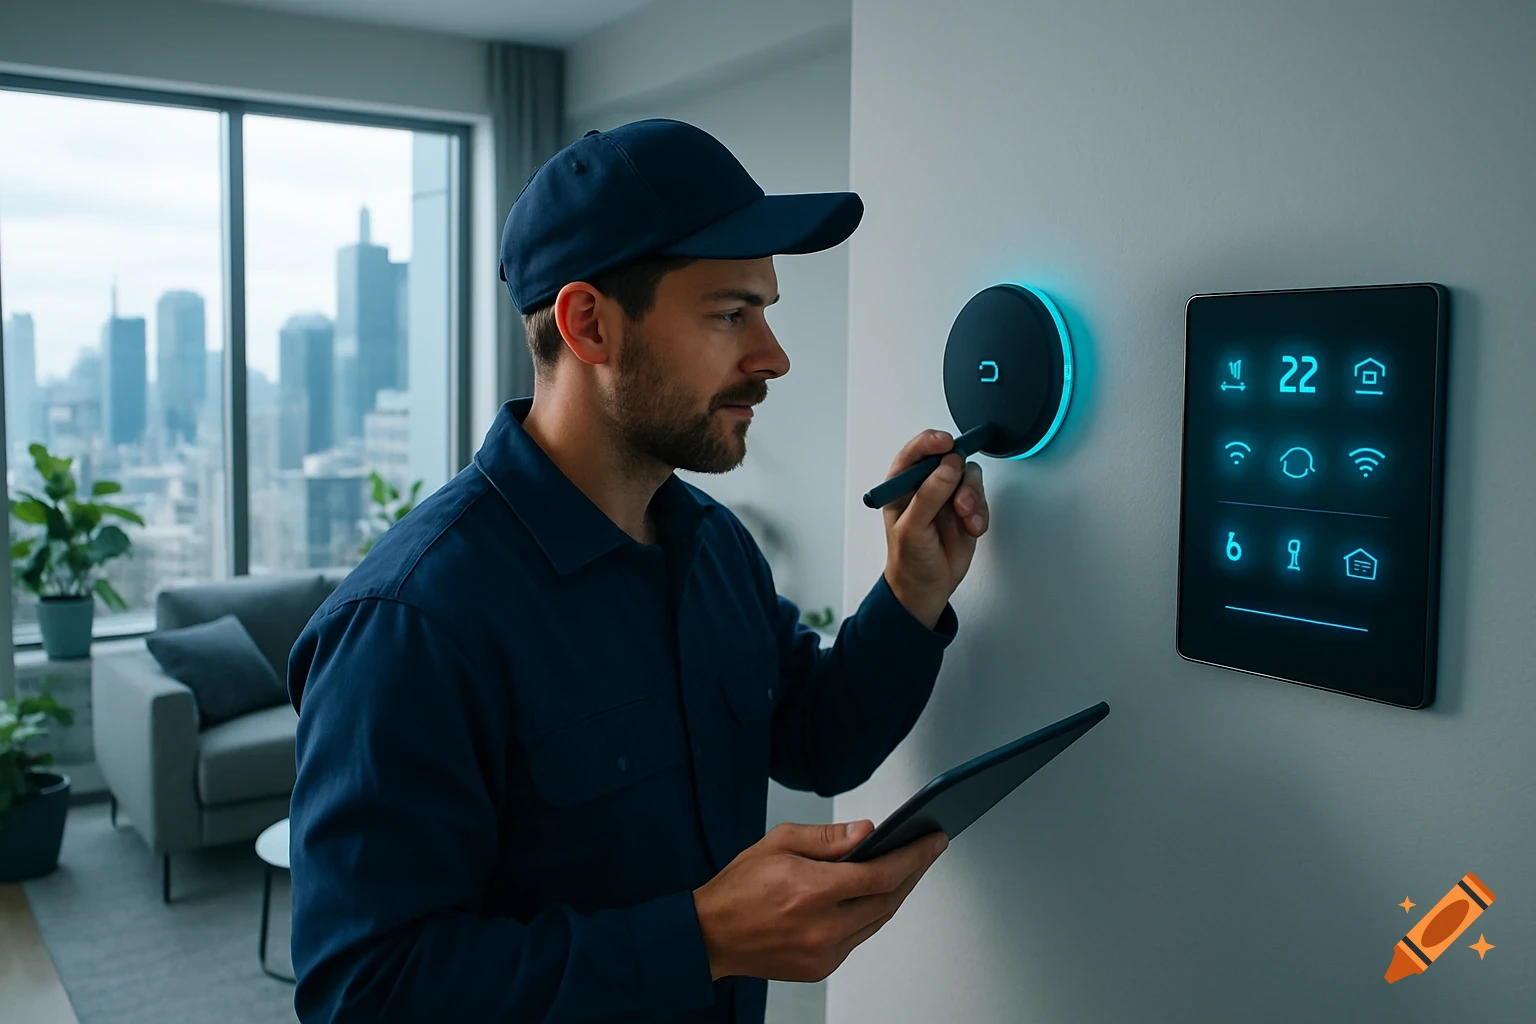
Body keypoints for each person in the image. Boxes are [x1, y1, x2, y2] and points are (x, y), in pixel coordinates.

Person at [286, 118, 990, 1024]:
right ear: (589, 325)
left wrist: (912, 589)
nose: (774, 357)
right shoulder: (410, 621)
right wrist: (702, 939)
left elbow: (819, 738)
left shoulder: (714, 548)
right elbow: (364, 994)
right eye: (731, 314)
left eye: (766, 311)